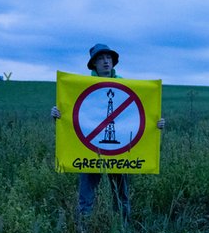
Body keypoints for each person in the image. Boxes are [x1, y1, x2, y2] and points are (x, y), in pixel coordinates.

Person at [52, 43, 165, 222]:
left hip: (119, 152)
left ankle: (122, 232)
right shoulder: (81, 86)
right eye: (100, 59)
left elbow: (136, 115)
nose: (105, 61)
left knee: (121, 197)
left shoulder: (125, 85)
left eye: (108, 58)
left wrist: (155, 123)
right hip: (88, 151)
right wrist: (58, 114)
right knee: (86, 197)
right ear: (93, 64)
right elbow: (74, 112)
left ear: (113, 62)